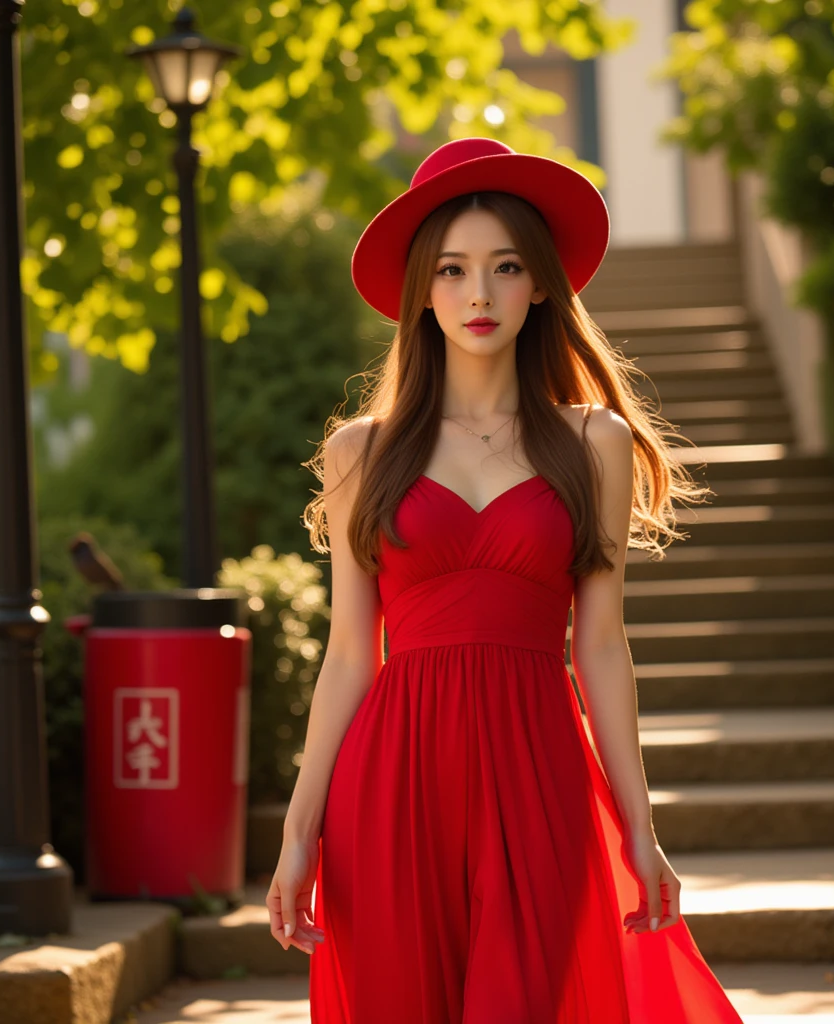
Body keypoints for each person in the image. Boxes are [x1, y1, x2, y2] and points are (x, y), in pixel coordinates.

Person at [268, 137, 745, 1023]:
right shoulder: (358, 453)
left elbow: (602, 646)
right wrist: (299, 836)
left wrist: (640, 830)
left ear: (541, 285)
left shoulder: (592, 442)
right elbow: (346, 658)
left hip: (539, 772)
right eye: (451, 269)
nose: (478, 294)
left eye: (505, 266)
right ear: (421, 289)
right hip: (391, 782)